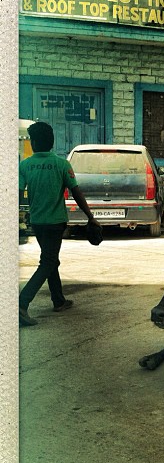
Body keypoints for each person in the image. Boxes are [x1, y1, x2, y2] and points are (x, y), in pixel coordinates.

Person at [18, 121, 100, 327]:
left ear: (34, 142)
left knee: (50, 259)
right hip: (56, 223)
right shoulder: (62, 164)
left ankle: (59, 300)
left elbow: (18, 195)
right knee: (48, 262)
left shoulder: (25, 165)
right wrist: (90, 216)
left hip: (37, 222)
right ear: (52, 142)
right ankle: (21, 303)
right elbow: (76, 192)